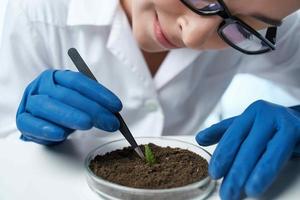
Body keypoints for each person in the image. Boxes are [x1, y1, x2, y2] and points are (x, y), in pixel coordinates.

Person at [0, 0, 300, 199]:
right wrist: (27, 137)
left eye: (245, 25)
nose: (193, 37)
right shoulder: (36, 11)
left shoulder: (270, 24)